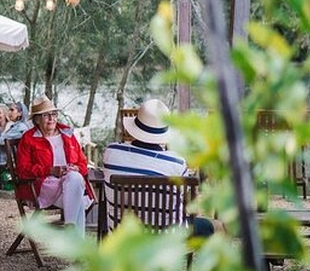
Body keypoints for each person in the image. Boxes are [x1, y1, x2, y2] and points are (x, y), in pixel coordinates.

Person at [102, 98, 213, 236]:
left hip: (122, 239)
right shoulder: (177, 163)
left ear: (134, 128)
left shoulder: (112, 152)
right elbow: (184, 203)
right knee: (215, 226)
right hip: (165, 241)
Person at [16, 96, 94, 236]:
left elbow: (83, 163)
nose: (51, 118)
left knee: (74, 176)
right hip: (45, 186)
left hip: (70, 185)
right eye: (46, 115)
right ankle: (77, 243)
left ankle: (70, 226)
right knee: (79, 201)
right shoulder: (28, 138)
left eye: (54, 114)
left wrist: (77, 168)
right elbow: (22, 170)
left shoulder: (67, 134)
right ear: (37, 119)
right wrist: (50, 170)